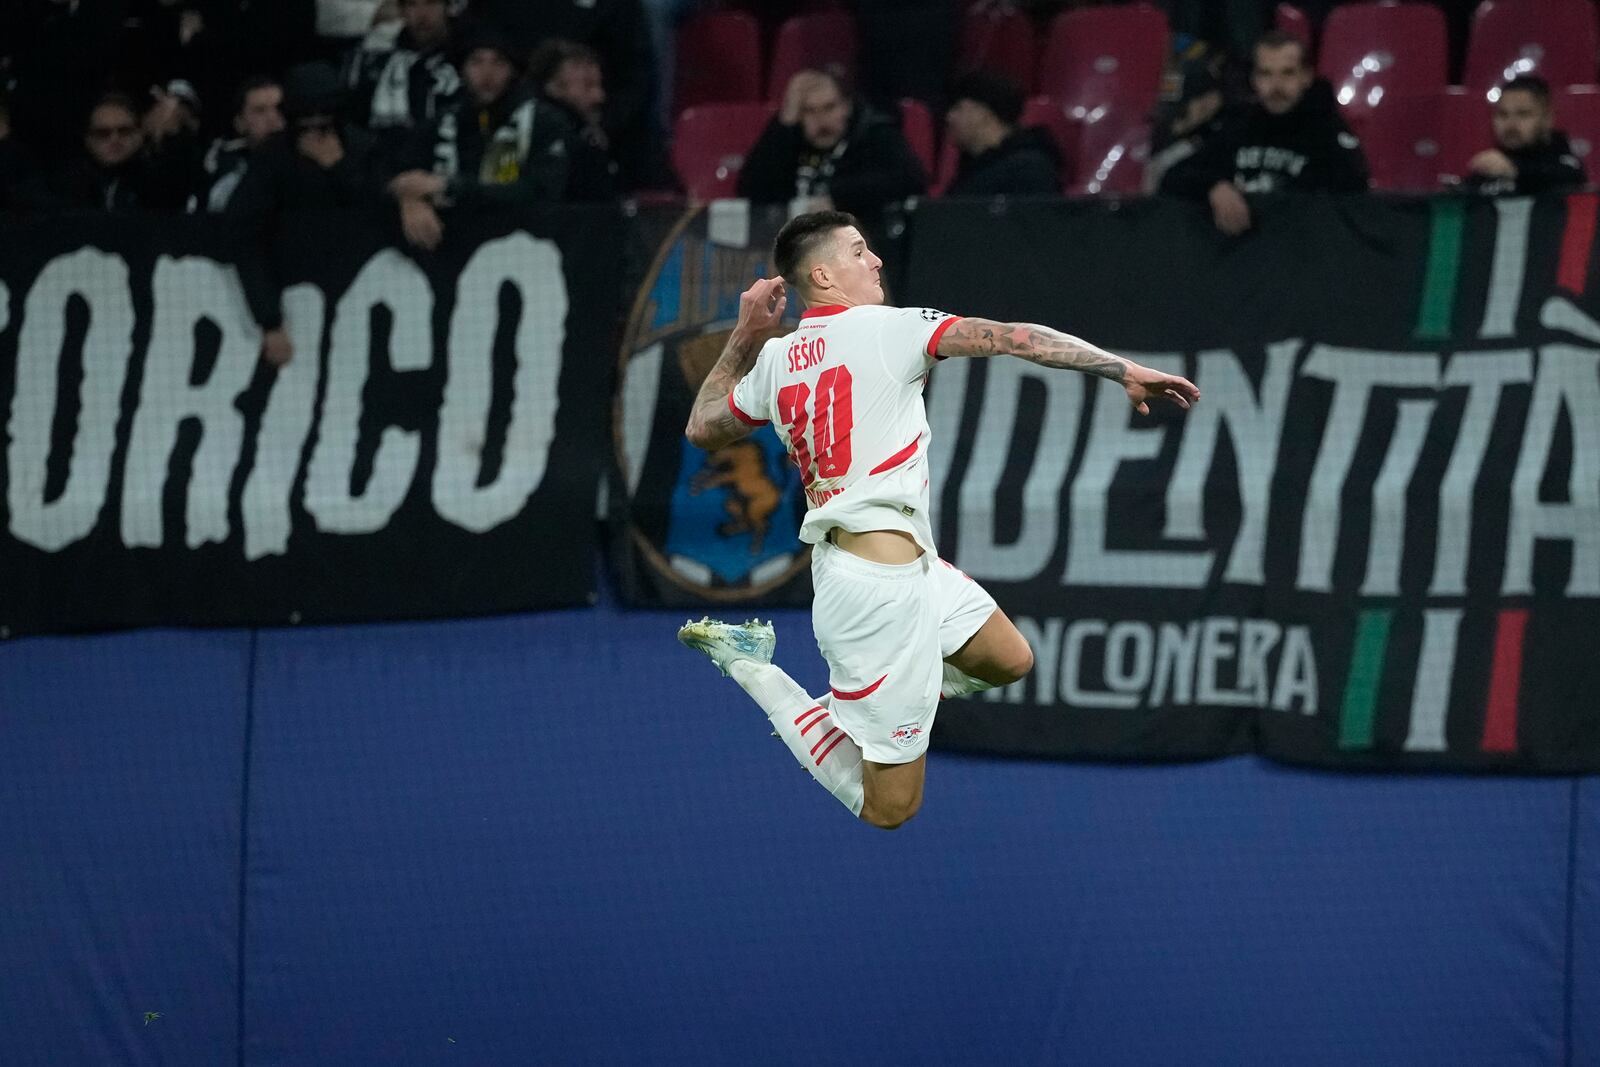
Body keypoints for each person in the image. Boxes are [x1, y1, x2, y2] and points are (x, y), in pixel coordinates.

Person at [676, 211, 1199, 828]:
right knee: (889, 809)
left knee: (1009, 659)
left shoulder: (776, 360)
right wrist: (1122, 368)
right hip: (875, 598)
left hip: (903, 567)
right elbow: (1012, 337)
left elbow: (702, 426)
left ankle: (880, 695)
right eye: (859, 250)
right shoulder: (889, 330)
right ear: (823, 273)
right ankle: (750, 664)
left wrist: (744, 335)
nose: (874, 261)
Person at [227, 62, 380, 366]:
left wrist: (339, 168)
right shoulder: (272, 159)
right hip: (297, 304)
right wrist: (270, 320)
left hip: (365, 299)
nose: (314, 129)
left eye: (324, 121)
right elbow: (243, 236)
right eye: (306, 120)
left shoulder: (363, 147)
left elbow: (380, 212)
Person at [387, 23, 574, 251]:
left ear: (513, 70)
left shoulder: (544, 121)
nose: (488, 73)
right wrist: (410, 200)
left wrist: (449, 187)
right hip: (451, 251)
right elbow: (390, 173)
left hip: (526, 249)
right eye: (477, 61)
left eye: (498, 62)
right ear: (462, 69)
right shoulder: (442, 121)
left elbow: (538, 193)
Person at [1164, 30, 1368, 236]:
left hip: (1304, 254)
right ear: (1254, 79)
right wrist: (1214, 188)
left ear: (1306, 77)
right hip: (1244, 256)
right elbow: (1174, 177)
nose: (1276, 86)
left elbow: (1355, 190)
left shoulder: (1326, 130)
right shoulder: (1239, 125)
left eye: (1287, 73)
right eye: (1266, 74)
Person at [738, 70, 927, 222]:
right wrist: (785, 124)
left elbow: (911, 178)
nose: (821, 120)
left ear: (846, 106)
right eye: (809, 111)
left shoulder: (873, 133)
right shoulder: (787, 139)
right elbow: (750, 189)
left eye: (829, 108)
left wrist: (839, 198)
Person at [343, 0, 460, 167]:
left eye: (431, 3)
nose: (422, 15)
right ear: (401, 11)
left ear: (448, 8)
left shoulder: (468, 59)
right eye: (412, 5)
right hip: (382, 167)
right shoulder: (376, 62)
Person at [942, 71, 1059, 197]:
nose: (949, 117)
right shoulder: (972, 168)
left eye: (958, 108)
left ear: (982, 113)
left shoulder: (1030, 171)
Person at [531, 38, 621, 201]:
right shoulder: (537, 133)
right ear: (554, 88)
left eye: (599, 86)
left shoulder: (590, 136)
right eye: (588, 85)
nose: (599, 97)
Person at [1466, 75, 1587, 196]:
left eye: (1523, 114)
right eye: (1503, 114)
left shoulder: (1562, 160)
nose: (1511, 124)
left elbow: (1571, 178)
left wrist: (1513, 171)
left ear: (1548, 118)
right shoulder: (1490, 167)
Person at [195, 76, 285, 212]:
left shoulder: (311, 159)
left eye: (280, 108)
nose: (273, 118)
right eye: (260, 110)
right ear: (240, 123)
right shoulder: (224, 170)